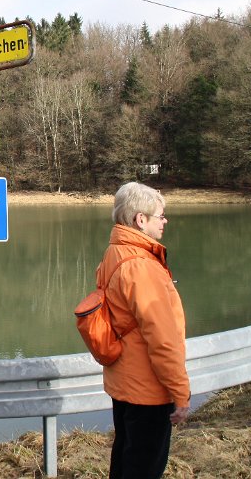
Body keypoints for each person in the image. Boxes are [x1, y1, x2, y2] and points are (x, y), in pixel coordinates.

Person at [98, 182, 190, 479]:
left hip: (123, 381)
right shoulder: (142, 267)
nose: (165, 221)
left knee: (126, 457)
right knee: (144, 467)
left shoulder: (115, 253)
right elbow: (163, 339)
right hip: (148, 389)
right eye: (160, 215)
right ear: (141, 219)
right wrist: (180, 391)